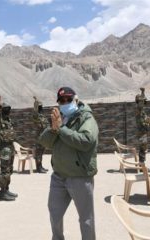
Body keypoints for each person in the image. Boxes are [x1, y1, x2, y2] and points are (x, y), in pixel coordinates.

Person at [39, 87, 98, 240]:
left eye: (68, 100)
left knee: (86, 219)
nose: (64, 103)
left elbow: (86, 141)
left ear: (76, 100)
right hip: (59, 176)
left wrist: (62, 129)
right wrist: (53, 129)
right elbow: (45, 142)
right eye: (61, 101)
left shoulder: (86, 118)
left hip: (79, 177)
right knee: (55, 215)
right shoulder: (61, 118)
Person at [0, 95, 18, 201]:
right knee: (4, 171)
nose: (7, 111)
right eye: (5, 109)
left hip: (10, 148)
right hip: (4, 149)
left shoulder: (9, 121)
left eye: (8, 109)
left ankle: (7, 189)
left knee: (10, 170)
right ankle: (2, 192)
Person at [135, 87, 150, 163]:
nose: (144, 102)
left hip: (143, 132)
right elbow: (141, 102)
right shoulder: (139, 109)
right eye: (143, 101)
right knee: (143, 149)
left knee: (143, 149)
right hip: (141, 133)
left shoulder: (141, 110)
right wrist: (143, 92)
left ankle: (142, 164)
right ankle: (142, 165)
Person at [32, 96, 49, 173]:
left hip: (44, 138)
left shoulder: (43, 117)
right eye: (40, 107)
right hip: (39, 138)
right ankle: (38, 168)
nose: (41, 108)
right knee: (38, 153)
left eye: (41, 106)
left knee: (41, 153)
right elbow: (35, 112)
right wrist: (36, 103)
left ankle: (41, 166)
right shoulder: (36, 116)